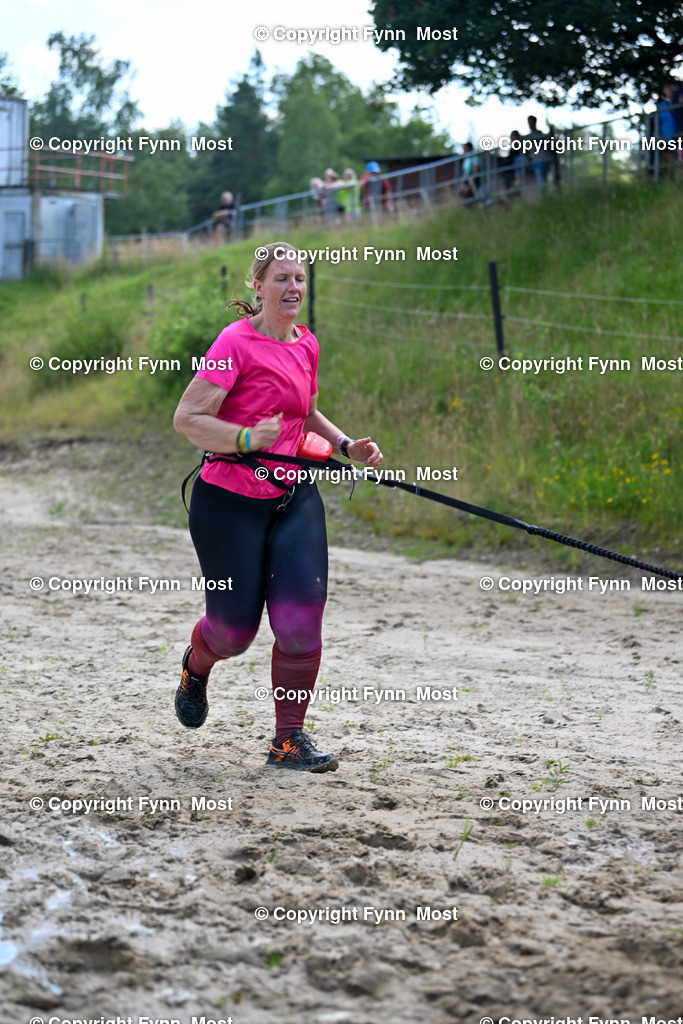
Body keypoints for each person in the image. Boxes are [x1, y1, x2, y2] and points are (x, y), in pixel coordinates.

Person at [173, 242, 383, 773]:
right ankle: (195, 668)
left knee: (299, 624)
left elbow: (306, 412)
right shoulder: (233, 343)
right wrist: (245, 438)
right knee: (233, 633)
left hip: (294, 499)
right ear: (258, 287)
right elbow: (188, 418)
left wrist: (346, 446)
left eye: (300, 278)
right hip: (228, 503)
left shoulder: (306, 343)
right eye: (282, 278)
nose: (293, 287)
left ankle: (287, 741)